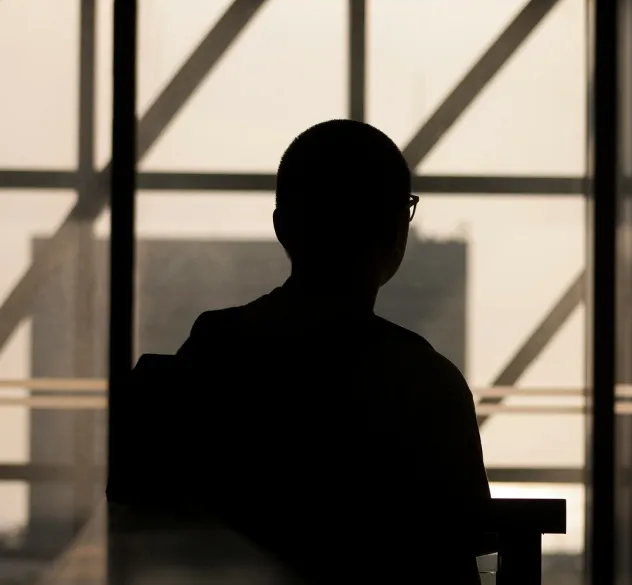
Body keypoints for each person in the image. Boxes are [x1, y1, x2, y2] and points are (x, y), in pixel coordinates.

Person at [107, 120, 491, 584]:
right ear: (395, 233)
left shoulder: (214, 352)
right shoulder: (428, 383)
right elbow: (459, 549)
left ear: (283, 227)